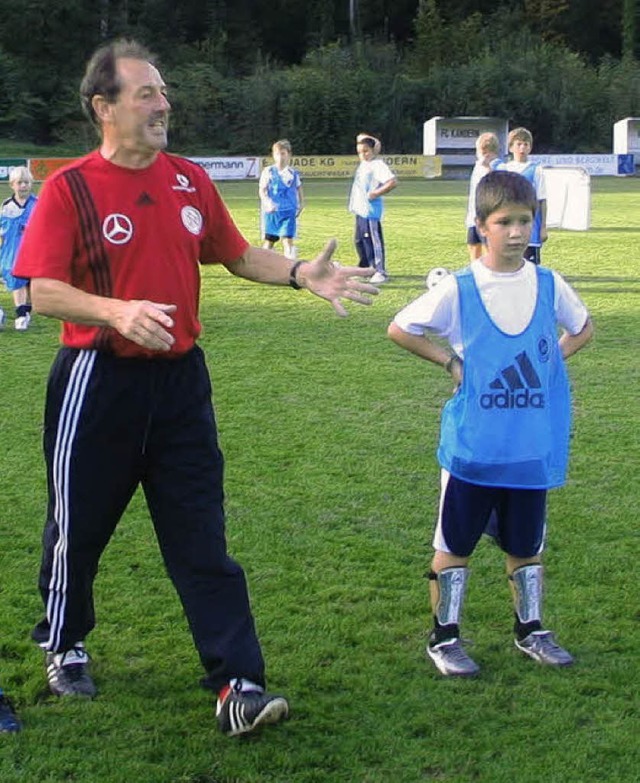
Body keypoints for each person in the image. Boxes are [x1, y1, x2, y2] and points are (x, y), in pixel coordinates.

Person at [14, 38, 377, 737]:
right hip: (98, 378)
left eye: (163, 91)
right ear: (104, 106)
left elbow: (238, 256)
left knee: (201, 536)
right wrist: (117, 309)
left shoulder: (188, 180)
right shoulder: (71, 188)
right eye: (145, 93)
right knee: (77, 530)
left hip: (181, 383)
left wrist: (302, 273)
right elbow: (42, 288)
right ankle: (64, 641)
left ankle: (236, 681)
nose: (163, 103)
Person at [388, 170, 593, 677]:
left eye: (526, 221)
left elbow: (583, 327)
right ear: (481, 226)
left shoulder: (548, 282)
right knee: (453, 545)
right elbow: (401, 328)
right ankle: (445, 638)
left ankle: (531, 630)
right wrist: (451, 364)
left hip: (528, 446)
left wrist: (552, 362)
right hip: (474, 447)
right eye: (505, 222)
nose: (518, 232)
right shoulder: (460, 289)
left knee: (527, 546)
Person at [348, 133, 397, 284]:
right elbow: (360, 136)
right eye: (359, 152)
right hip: (360, 210)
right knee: (359, 240)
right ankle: (365, 269)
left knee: (372, 241)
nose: (362, 155)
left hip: (370, 211)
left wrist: (376, 193)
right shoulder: (365, 164)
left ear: (373, 150)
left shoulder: (377, 165)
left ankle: (379, 271)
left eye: (366, 151)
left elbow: (392, 182)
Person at [494, 127, 547, 265]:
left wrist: (543, 227)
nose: (522, 147)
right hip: (507, 225)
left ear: (530, 147)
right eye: (518, 144)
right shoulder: (503, 169)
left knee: (531, 267)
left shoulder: (536, 169)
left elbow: (542, 200)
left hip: (530, 226)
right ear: (511, 147)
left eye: (526, 144)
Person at [0, 166, 37, 331]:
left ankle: (26, 311)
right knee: (16, 280)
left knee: (32, 286)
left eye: (26, 182)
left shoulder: (38, 204)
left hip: (33, 250)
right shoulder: (7, 206)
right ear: (12, 185)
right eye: (20, 182)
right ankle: (21, 315)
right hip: (12, 251)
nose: (23, 185)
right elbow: (3, 230)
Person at [259, 139, 304, 259]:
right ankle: (263, 263)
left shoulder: (293, 173)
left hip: (289, 211)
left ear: (289, 155)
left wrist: (301, 204)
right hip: (272, 213)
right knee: (270, 241)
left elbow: (298, 188)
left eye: (283, 153)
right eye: (278, 154)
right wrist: (268, 203)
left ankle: (289, 266)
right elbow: (262, 190)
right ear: (273, 155)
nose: (281, 157)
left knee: (288, 239)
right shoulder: (268, 172)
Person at [465, 132, 500, 261]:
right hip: (473, 217)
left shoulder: (498, 166)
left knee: (488, 255)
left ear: (483, 150)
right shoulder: (478, 165)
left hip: (487, 218)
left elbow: (497, 187)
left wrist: (488, 168)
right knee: (474, 254)